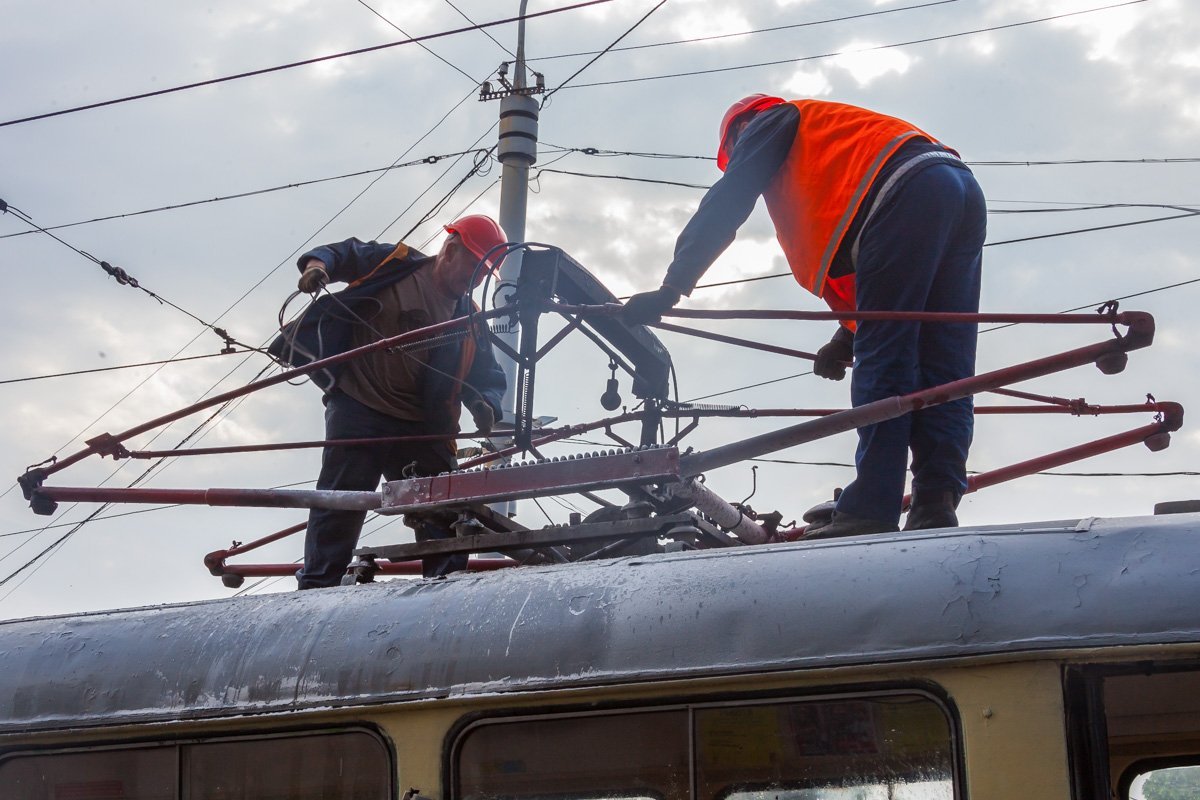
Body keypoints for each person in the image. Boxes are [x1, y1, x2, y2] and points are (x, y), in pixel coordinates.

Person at [622, 96, 986, 538]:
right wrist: (846, 338)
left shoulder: (769, 120)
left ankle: (870, 509)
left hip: (901, 188)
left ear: (738, 133)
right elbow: (884, 284)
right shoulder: (836, 147)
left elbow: (728, 200)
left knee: (887, 358)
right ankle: (936, 502)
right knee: (945, 362)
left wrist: (672, 287)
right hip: (958, 187)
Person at [272, 214, 508, 588]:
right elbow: (345, 253)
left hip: (422, 427)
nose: (476, 279)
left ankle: (445, 588)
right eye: (474, 267)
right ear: (450, 249)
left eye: (484, 273)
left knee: (442, 509)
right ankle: (317, 585)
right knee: (340, 500)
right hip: (359, 406)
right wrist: (317, 267)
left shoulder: (470, 319)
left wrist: (485, 404)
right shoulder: (394, 263)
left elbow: (488, 378)